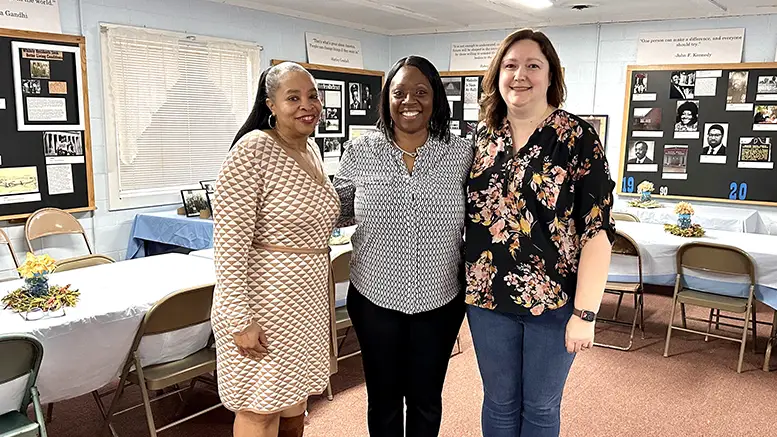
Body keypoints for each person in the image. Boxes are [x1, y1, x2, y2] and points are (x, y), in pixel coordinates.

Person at [465, 28, 615, 437]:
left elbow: (597, 232)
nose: (520, 75)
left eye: (533, 65)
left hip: (554, 303)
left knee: (541, 407)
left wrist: (585, 314)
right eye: (510, 65)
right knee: (498, 403)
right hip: (487, 299)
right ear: (497, 75)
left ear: (551, 76)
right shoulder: (481, 139)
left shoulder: (577, 137)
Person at [333, 55, 473, 437]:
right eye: (399, 92)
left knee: (427, 399)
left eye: (421, 92)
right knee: (384, 398)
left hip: (440, 298)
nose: (409, 100)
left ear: (436, 99)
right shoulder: (361, 151)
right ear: (387, 100)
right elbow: (336, 212)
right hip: (375, 296)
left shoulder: (461, 154)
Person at [211, 61, 340, 437]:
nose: (307, 105)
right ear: (270, 104)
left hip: (304, 305)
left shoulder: (310, 149)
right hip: (262, 308)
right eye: (293, 97)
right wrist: (239, 318)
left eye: (313, 96)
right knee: (259, 407)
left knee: (294, 401)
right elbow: (228, 246)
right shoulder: (253, 151)